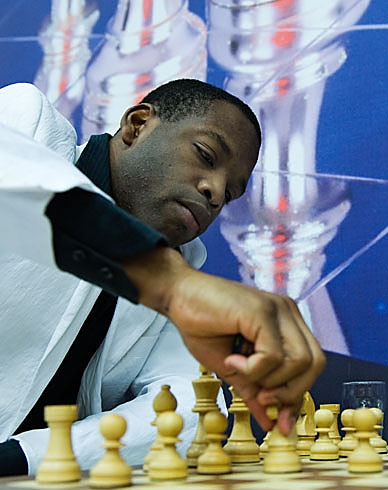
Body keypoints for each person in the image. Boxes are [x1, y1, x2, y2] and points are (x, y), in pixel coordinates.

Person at [0, 80, 325, 475]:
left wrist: (26, 455)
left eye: (231, 193)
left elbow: (189, 410)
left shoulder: (182, 268)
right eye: (205, 155)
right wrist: (169, 283)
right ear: (137, 125)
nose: (216, 191)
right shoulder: (26, 121)